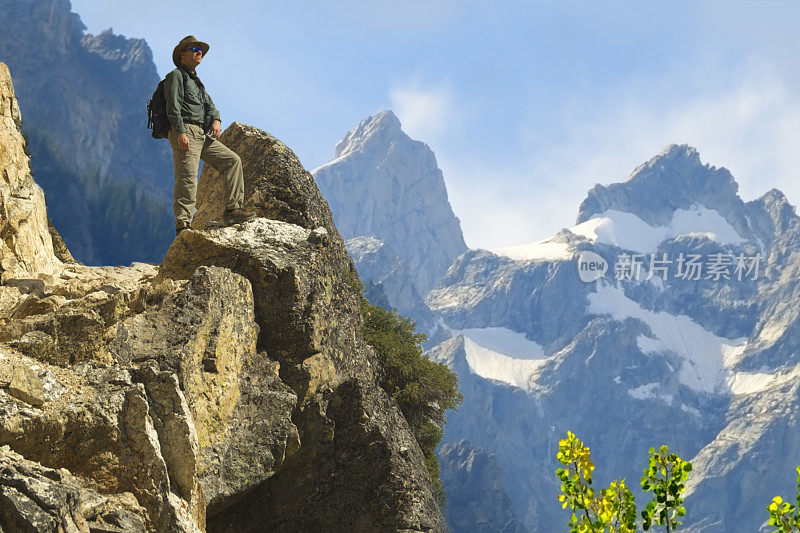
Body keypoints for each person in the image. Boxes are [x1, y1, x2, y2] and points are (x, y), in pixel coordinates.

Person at [165, 35, 253, 235]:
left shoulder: (196, 82)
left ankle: (233, 209)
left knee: (232, 161)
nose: (199, 52)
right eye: (195, 49)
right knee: (187, 178)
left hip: (201, 134)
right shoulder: (176, 76)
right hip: (185, 130)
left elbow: (210, 105)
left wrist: (216, 120)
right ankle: (183, 226)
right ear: (182, 53)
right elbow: (173, 107)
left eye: (201, 51)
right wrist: (180, 132)